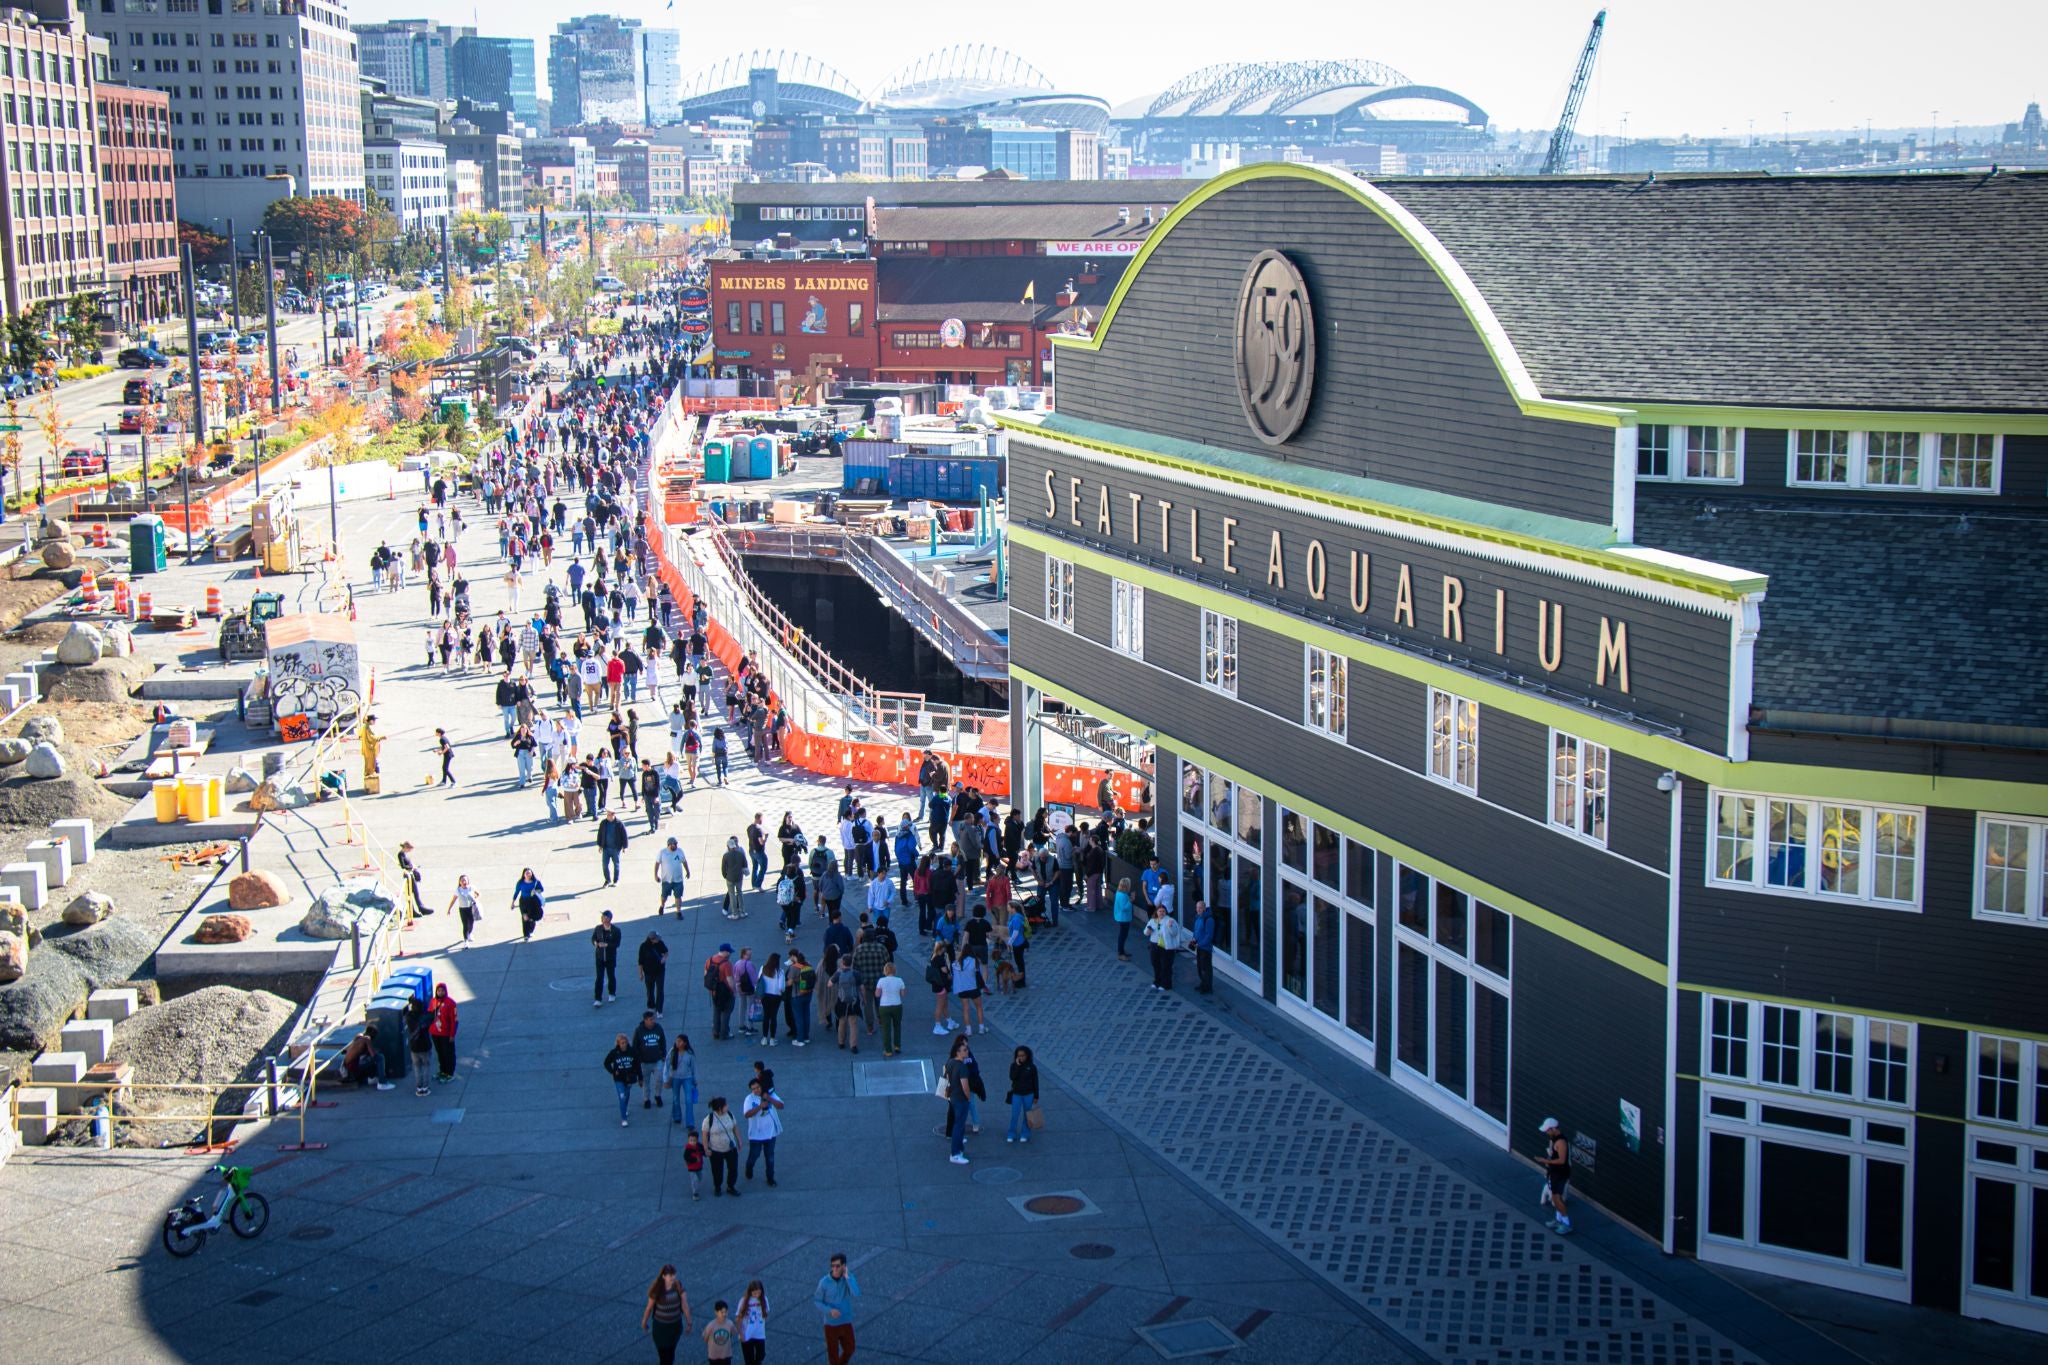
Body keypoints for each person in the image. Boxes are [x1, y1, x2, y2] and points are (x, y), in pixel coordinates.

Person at [941, 1033, 984, 1164]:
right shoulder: (962, 1067)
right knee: (959, 1126)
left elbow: (946, 1078)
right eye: (965, 1049)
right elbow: (965, 1086)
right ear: (958, 1052)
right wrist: (967, 1098)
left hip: (953, 1096)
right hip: (960, 1099)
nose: (967, 1051)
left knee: (957, 1125)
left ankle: (958, 1149)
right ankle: (955, 1153)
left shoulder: (950, 1062)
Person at [813, 1253, 860, 1365]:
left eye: (837, 1266)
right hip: (831, 1324)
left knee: (850, 1349)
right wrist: (829, 1311)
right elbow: (817, 1300)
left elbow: (856, 1293)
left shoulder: (848, 1278)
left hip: (845, 1321)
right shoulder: (824, 1282)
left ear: (844, 1266)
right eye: (832, 1265)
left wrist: (847, 1277)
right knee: (832, 1355)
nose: (834, 1268)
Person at [641, 1265, 693, 1365]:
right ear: (664, 1276)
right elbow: (649, 1308)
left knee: (671, 1353)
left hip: (674, 1327)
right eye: (670, 1275)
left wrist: (689, 1322)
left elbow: (685, 1306)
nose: (673, 1277)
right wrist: (644, 1321)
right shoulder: (657, 1290)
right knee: (664, 1356)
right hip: (661, 1328)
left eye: (674, 1275)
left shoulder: (678, 1286)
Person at [741, 1076, 783, 1188]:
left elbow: (781, 1106)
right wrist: (760, 1106)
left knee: (770, 1157)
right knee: (754, 1155)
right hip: (756, 1135)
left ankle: (770, 1178)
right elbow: (747, 1114)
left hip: (770, 1134)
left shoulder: (769, 1094)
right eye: (753, 1088)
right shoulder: (749, 1099)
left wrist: (769, 1099)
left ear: (761, 1086)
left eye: (758, 1087)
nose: (756, 1090)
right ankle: (749, 1167)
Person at [700, 1097, 742, 1197]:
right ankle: (717, 1187)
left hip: (731, 1149)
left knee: (733, 1169)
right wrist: (706, 1149)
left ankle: (730, 1187)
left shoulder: (730, 1115)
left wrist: (739, 1140)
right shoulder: (709, 1119)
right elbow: (705, 1135)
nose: (727, 1106)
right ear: (719, 1108)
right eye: (725, 1105)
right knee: (717, 1171)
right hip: (716, 1150)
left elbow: (735, 1128)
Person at [1540, 1117, 1574, 1234]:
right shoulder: (1554, 1139)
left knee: (1557, 1199)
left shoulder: (1561, 1142)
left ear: (1554, 1129)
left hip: (1561, 1174)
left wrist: (1546, 1161)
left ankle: (1566, 1224)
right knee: (1555, 1198)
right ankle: (1558, 1220)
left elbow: (1561, 1160)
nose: (1546, 1132)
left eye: (1548, 1130)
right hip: (1555, 1173)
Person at [1144, 903, 1186, 991]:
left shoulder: (1170, 920)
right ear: (1157, 912)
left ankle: (1166, 984)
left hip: (1166, 947)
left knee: (1166, 966)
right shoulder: (1152, 921)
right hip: (1154, 945)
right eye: (1160, 911)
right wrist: (1148, 931)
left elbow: (1175, 933)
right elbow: (1145, 932)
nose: (1162, 913)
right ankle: (1157, 981)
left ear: (1166, 912)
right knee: (1155, 964)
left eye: (1163, 911)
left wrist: (1170, 927)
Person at [339, 1026, 395, 1090]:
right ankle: (382, 1083)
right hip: (352, 1067)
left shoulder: (358, 1036)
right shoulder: (367, 1039)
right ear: (372, 1034)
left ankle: (371, 1078)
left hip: (345, 1067)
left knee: (368, 1059)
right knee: (380, 1057)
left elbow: (345, 1051)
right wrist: (376, 1050)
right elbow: (373, 1055)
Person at [604, 1033, 642, 1126]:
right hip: (619, 1078)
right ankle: (624, 1119)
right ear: (618, 1044)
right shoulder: (614, 1053)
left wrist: (640, 1078)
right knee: (622, 1096)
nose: (624, 1045)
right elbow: (606, 1063)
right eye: (622, 1043)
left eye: (625, 1042)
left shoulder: (632, 1051)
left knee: (627, 1094)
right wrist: (613, 1071)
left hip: (629, 1078)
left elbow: (637, 1065)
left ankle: (625, 1107)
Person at [1005, 1045, 1039, 1144]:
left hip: (1029, 1094)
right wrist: (1017, 1066)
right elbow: (1012, 1077)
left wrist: (1036, 1095)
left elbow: (1035, 1081)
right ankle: (1011, 1133)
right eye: (1019, 1056)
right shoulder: (1013, 1066)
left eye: (1023, 1056)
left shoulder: (1032, 1067)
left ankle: (1025, 1133)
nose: (1021, 1058)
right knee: (1014, 1115)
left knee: (1027, 1115)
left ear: (1027, 1056)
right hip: (1017, 1094)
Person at [666, 1032, 698, 1129]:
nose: (677, 1043)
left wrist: (694, 1079)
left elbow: (693, 1068)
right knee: (676, 1098)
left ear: (684, 1043)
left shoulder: (690, 1054)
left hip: (687, 1078)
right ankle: (677, 1116)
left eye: (679, 1041)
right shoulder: (672, 1052)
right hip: (675, 1078)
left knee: (689, 1100)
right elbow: (667, 1065)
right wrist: (666, 1079)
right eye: (677, 1041)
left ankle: (690, 1123)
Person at [427, 983, 459, 1083]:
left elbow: (454, 1021)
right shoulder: (433, 1001)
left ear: (445, 991)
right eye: (438, 991)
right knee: (440, 1053)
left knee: (448, 1053)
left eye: (442, 991)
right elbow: (429, 1015)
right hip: (435, 1033)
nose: (440, 993)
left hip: (446, 1033)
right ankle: (443, 1071)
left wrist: (452, 1034)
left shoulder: (451, 1003)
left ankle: (450, 1073)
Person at [951, 949, 986, 1036]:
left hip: (963, 989)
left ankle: (968, 1029)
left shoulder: (957, 963)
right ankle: (981, 1028)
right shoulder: (974, 961)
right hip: (973, 987)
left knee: (966, 1009)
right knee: (979, 1007)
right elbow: (978, 973)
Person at [704, 945, 736, 1040]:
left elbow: (706, 975)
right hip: (725, 992)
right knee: (726, 1012)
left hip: (714, 991)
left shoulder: (709, 960)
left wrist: (711, 989)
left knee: (716, 1010)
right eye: (729, 952)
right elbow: (729, 980)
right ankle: (724, 1033)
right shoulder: (727, 964)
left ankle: (715, 1032)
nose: (730, 954)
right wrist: (733, 991)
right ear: (725, 952)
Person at [875, 960, 905, 1058]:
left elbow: (877, 994)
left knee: (886, 1029)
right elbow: (903, 994)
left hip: (884, 1006)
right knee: (897, 1026)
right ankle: (897, 1046)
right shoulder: (899, 980)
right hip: (897, 1005)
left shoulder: (881, 981)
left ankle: (888, 1050)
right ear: (894, 970)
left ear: (885, 971)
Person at [592, 909, 623, 1005]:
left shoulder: (616, 930)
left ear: (610, 919)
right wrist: (596, 943)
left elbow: (617, 944)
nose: (603, 919)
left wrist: (607, 945)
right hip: (599, 957)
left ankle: (612, 993)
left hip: (610, 957)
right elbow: (593, 939)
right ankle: (598, 998)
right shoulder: (598, 928)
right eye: (602, 917)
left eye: (606, 917)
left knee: (611, 976)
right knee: (599, 978)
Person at [656, 837, 691, 916]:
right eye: (674, 844)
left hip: (678, 880)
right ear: (669, 845)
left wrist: (688, 872)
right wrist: (656, 875)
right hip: (666, 880)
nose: (676, 845)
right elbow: (657, 864)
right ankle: (662, 906)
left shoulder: (680, 851)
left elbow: (684, 862)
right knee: (664, 896)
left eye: (676, 844)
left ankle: (678, 912)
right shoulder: (662, 853)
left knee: (678, 896)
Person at [736, 1281, 769, 1365]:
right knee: (749, 1360)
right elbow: (738, 1319)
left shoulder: (764, 1299)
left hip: (759, 1333)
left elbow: (766, 1312)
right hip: (747, 1333)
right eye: (754, 1293)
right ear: (750, 1291)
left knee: (761, 1355)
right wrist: (741, 1334)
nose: (757, 1295)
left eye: (759, 1292)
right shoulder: (744, 1301)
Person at [639, 929, 669, 1016]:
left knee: (660, 990)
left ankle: (659, 1010)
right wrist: (640, 973)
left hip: (660, 971)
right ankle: (651, 1007)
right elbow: (640, 961)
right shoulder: (643, 947)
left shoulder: (660, 943)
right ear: (652, 939)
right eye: (656, 939)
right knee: (650, 990)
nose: (658, 940)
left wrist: (664, 958)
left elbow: (666, 952)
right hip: (648, 972)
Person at [926, 942, 954, 1036]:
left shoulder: (933, 956)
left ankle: (950, 1021)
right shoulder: (940, 958)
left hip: (937, 984)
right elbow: (945, 970)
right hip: (941, 984)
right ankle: (937, 1026)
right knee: (940, 1005)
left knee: (944, 1004)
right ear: (942, 948)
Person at [758, 953, 785, 1047]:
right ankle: (772, 1039)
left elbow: (759, 980)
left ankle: (764, 1038)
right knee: (773, 1017)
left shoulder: (763, 968)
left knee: (766, 1016)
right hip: (776, 996)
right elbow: (781, 987)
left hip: (765, 996)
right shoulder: (780, 971)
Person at [597, 809, 630, 887]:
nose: (607, 816)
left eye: (609, 815)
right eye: (607, 815)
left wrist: (625, 847)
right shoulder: (603, 823)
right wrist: (600, 846)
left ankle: (616, 880)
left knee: (616, 865)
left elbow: (624, 835)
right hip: (606, 848)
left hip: (616, 848)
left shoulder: (619, 824)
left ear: (613, 815)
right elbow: (600, 834)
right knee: (604, 865)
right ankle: (607, 880)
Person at [446, 874, 480, 945]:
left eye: (465, 880)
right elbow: (453, 900)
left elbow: (478, 894)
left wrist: (475, 899)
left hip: (470, 908)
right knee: (465, 925)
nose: (464, 882)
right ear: (460, 882)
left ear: (468, 881)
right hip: (462, 909)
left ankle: (470, 933)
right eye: (462, 880)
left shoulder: (471, 888)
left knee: (471, 923)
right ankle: (466, 941)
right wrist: (449, 909)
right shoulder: (458, 890)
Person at [513, 867, 546, 941]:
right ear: (524, 874)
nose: (528, 874)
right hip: (524, 902)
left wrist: (535, 891)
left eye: (529, 873)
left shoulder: (536, 881)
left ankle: (530, 929)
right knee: (525, 917)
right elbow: (516, 892)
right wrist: (513, 902)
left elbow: (542, 889)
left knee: (534, 917)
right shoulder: (520, 883)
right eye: (527, 873)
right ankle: (526, 935)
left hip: (533, 901)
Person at [1192, 899, 1217, 994]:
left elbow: (1209, 935)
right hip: (1199, 947)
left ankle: (1207, 987)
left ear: (1204, 908)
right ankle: (1203, 983)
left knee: (1205, 968)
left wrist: (1200, 943)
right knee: (1200, 967)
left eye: (1200, 908)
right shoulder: (1198, 917)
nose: (1198, 909)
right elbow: (1196, 930)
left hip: (1205, 948)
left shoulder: (1209, 919)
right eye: (1197, 907)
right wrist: (1194, 939)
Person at [720, 837, 748, 920]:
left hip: (730, 877)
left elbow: (723, 868)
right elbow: (745, 865)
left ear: (728, 846)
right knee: (740, 893)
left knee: (732, 895)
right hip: (739, 877)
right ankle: (742, 911)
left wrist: (725, 875)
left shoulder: (726, 856)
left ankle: (735, 913)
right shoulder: (741, 854)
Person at [702, 1299, 735, 1364]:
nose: (724, 1314)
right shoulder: (711, 1326)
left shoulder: (730, 1324)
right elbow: (705, 1338)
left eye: (726, 1312)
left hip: (726, 1355)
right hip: (714, 1356)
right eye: (722, 1312)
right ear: (716, 1312)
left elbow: (731, 1334)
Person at [1111, 877, 1135, 962]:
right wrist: (1131, 901)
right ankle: (1120, 953)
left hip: (1122, 917)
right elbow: (1124, 908)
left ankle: (1122, 950)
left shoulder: (1119, 893)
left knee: (1123, 935)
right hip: (1123, 918)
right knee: (1123, 935)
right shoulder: (1123, 895)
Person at [680, 1128, 706, 1201]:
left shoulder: (699, 1146)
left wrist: (705, 1154)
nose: (692, 1142)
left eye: (694, 1140)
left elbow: (702, 1151)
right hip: (691, 1168)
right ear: (688, 1140)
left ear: (697, 1140)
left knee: (700, 1178)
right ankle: (695, 1193)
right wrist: (694, 1160)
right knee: (694, 1180)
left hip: (699, 1166)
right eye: (690, 1140)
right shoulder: (688, 1149)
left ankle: (696, 1186)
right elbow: (686, 1157)